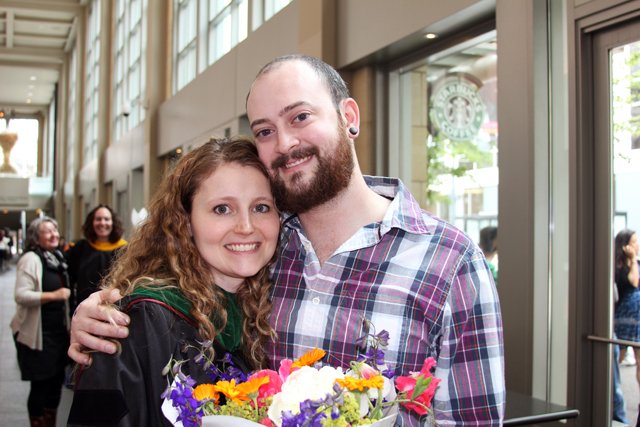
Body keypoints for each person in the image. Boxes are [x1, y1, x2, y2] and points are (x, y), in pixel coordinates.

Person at [68, 55, 505, 426]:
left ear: (348, 117)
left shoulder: (449, 262)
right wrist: (104, 316)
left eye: (300, 117)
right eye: (264, 131)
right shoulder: (263, 255)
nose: (285, 143)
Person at [66, 137, 280, 426]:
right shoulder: (138, 322)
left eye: (261, 207)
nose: (246, 227)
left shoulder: (269, 308)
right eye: (222, 209)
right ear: (186, 221)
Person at [10, 217, 71, 427]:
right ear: (36, 237)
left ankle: (50, 422)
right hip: (37, 334)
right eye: (47, 232)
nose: (54, 235)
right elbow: (21, 295)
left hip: (57, 332)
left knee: (55, 383)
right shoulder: (31, 258)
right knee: (41, 385)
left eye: (55, 230)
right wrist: (54, 295)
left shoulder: (56, 257)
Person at [65, 204, 127, 315]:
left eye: (106, 219)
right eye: (98, 219)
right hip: (86, 309)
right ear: (91, 223)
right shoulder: (81, 249)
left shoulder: (125, 250)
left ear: (113, 223)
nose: (102, 223)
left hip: (115, 310)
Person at [614, 229, 640, 399]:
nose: (637, 245)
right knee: (617, 358)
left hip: (638, 319)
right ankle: (610, 392)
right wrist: (631, 259)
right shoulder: (619, 266)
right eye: (634, 242)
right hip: (625, 318)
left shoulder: (637, 263)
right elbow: (633, 282)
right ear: (625, 246)